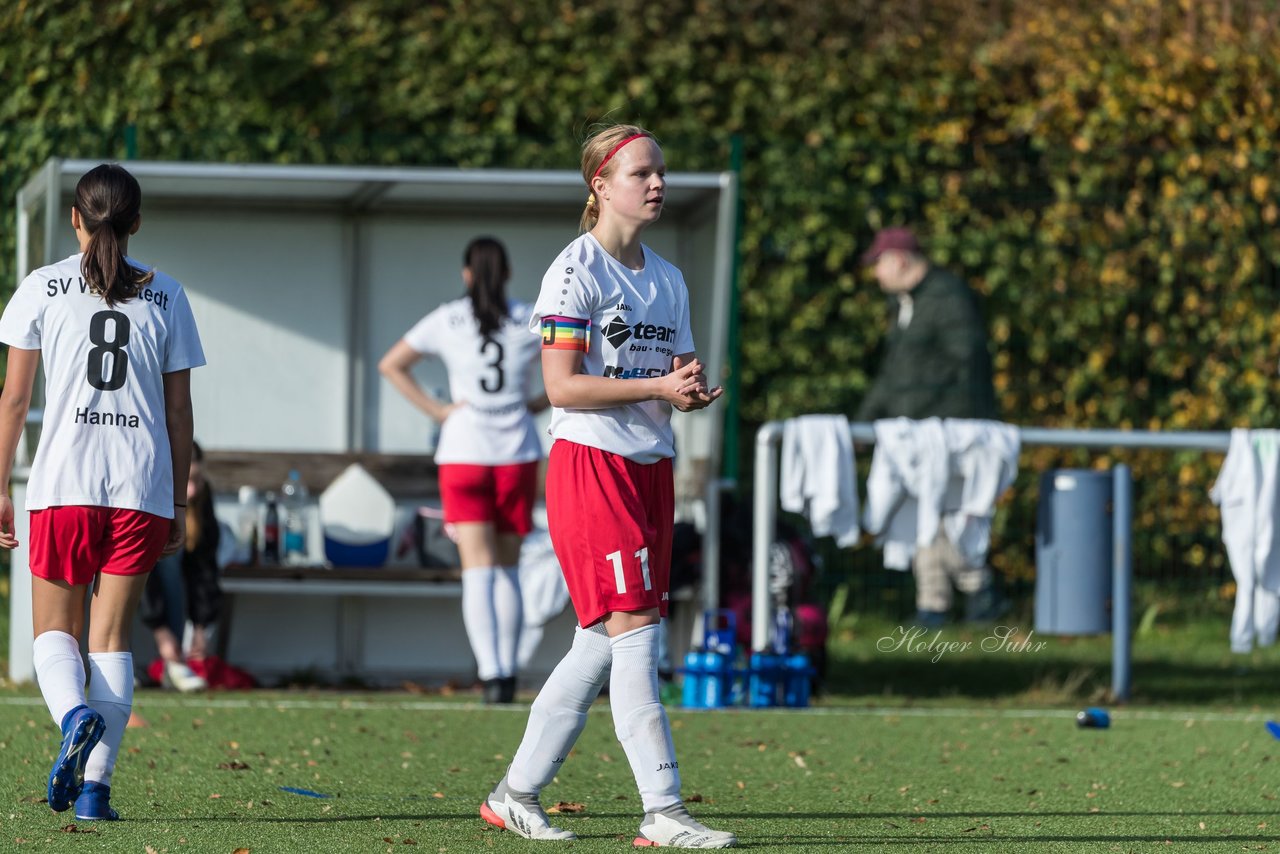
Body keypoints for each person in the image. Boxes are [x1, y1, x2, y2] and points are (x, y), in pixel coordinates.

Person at [479, 124, 735, 849]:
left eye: (660, 173)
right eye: (640, 174)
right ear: (600, 184)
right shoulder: (574, 271)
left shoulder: (669, 276)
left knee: (598, 641)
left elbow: (676, 374)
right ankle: (662, 810)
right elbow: (561, 386)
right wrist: (656, 383)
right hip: (592, 470)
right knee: (638, 635)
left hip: (649, 470)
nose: (657, 184)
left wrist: (685, 392)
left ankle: (513, 795)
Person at [0, 163, 205, 821]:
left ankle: (73, 715)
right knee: (113, 641)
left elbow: (13, 401)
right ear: (136, 223)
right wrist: (177, 502)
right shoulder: (168, 293)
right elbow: (180, 415)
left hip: (64, 484)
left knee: (52, 636)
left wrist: (0, 486)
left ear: (74, 219)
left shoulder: (41, 287)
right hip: (140, 487)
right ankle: (95, 792)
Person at [379, 237, 547, 704]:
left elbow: (391, 364)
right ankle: (509, 675)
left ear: (467, 274)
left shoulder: (448, 318)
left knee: (477, 571)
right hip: (516, 450)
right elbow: (579, 355)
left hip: (463, 450)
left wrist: (437, 411)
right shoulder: (530, 317)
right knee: (510, 569)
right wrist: (537, 402)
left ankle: (491, 675)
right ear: (508, 272)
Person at [856, 226, 1001, 627]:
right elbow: (893, 375)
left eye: (878, 264)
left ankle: (970, 594)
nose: (876, 274)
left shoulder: (947, 299)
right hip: (918, 432)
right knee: (925, 515)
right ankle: (943, 603)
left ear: (899, 260)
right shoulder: (908, 304)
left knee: (946, 516)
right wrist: (864, 426)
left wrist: (928, 417)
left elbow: (965, 363)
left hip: (952, 432)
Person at [138, 440, 221, 693]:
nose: (193, 491)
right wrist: (162, 632)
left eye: (198, 479)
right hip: (130, 576)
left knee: (176, 562)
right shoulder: (149, 494)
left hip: (165, 586)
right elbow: (142, 571)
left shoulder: (201, 497)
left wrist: (201, 626)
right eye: (186, 480)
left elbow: (204, 568)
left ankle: (171, 664)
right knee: (165, 563)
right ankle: (159, 659)